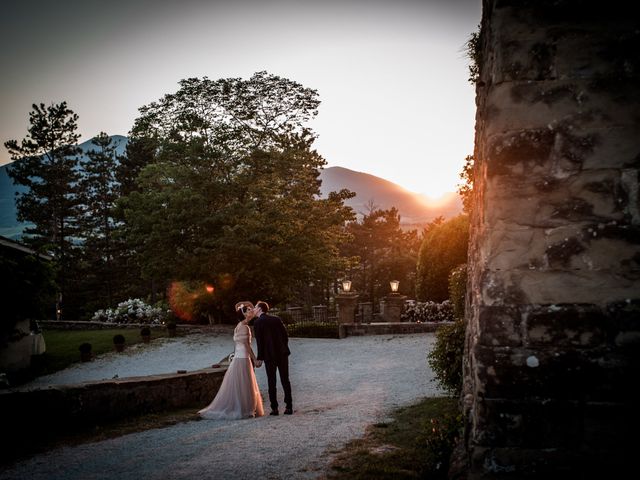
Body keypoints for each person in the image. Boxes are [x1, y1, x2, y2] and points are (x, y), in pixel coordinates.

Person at [198, 301, 264, 420]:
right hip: (243, 359)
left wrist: (244, 303)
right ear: (244, 314)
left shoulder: (238, 326)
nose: (251, 311)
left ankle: (244, 408)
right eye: (248, 310)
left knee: (240, 385)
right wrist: (255, 360)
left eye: (251, 309)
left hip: (237, 359)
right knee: (245, 384)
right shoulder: (245, 327)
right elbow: (246, 346)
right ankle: (246, 410)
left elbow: (238, 345)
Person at [253, 301, 293, 415]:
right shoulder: (276, 319)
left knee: (272, 381)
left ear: (260, 309)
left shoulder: (257, 323)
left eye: (255, 307)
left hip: (269, 356)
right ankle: (289, 407)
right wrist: (283, 347)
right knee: (285, 380)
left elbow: (260, 342)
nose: (254, 309)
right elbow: (285, 336)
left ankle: (274, 408)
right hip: (282, 353)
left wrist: (260, 357)